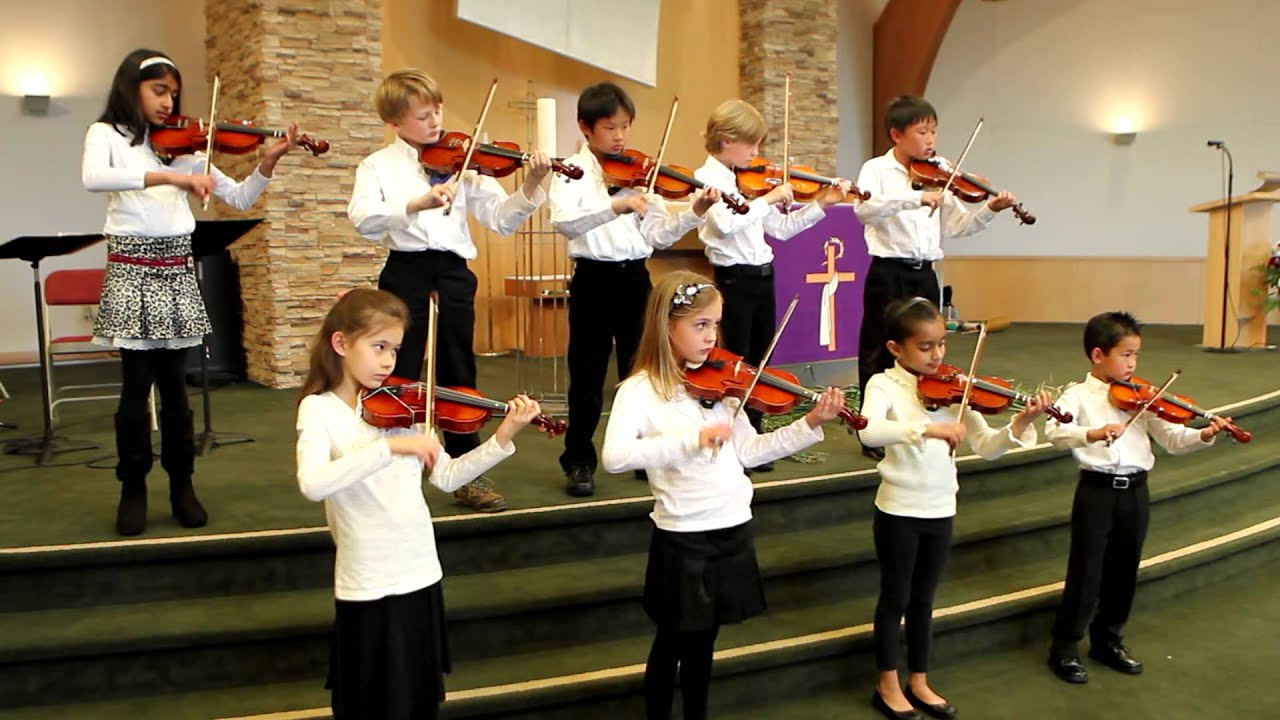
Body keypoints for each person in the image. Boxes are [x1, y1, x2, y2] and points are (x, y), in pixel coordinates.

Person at [601, 270, 846, 720]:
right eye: (700, 325)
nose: (712, 336)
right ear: (666, 326)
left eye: (716, 324)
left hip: (731, 527)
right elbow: (615, 458)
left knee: (705, 644)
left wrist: (809, 425)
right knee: (672, 642)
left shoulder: (726, 386)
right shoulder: (640, 391)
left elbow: (750, 450)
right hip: (684, 535)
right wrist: (692, 439)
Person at [83, 48, 300, 536]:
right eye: (159, 90)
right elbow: (94, 179)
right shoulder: (107, 135)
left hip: (176, 269)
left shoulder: (187, 145)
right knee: (135, 388)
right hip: (132, 268)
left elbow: (240, 196)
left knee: (178, 391)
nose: (169, 102)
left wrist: (267, 162)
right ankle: (132, 486)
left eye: (173, 93)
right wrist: (172, 175)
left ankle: (182, 483)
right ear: (131, 88)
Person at [296, 288, 541, 719]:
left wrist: (503, 438)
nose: (389, 361)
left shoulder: (405, 408)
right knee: (370, 702)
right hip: (368, 581)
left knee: (417, 701)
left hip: (420, 573)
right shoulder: (318, 411)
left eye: (394, 349)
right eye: (378, 347)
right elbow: (313, 484)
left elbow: (446, 477)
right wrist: (390, 449)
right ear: (340, 344)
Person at [347, 69, 552, 513]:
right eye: (423, 116)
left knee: (459, 368)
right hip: (405, 269)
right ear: (396, 123)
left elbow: (501, 218)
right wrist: (414, 204)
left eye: (436, 110)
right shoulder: (378, 166)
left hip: (454, 270)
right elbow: (362, 218)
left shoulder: (465, 161)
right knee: (395, 370)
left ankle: (467, 472)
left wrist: (532, 184)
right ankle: (388, 465)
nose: (435, 122)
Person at [858, 296, 1051, 719]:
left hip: (941, 508)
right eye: (925, 347)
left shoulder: (957, 387)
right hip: (899, 510)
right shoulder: (883, 385)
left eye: (941, 344)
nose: (938, 355)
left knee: (924, 600)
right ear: (896, 348)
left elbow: (986, 447)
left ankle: (920, 680)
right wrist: (927, 428)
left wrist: (1020, 424)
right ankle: (887, 683)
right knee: (895, 598)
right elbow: (869, 433)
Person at [1045, 311, 1232, 685]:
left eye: (1136, 356)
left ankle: (1108, 641)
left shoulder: (1143, 398)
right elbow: (1055, 431)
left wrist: (1204, 436)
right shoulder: (1077, 395)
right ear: (1099, 355)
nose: (1132, 364)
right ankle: (1065, 648)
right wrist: (1094, 434)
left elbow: (1174, 439)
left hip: (1135, 491)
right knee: (1086, 572)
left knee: (1124, 571)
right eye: (1125, 355)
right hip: (1096, 491)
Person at [551, 82, 719, 497]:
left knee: (642, 370)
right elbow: (565, 223)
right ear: (585, 128)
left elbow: (658, 233)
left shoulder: (641, 173)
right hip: (592, 278)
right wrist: (615, 205)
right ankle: (579, 460)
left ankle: (646, 453)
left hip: (635, 280)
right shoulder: (570, 172)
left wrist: (693, 213)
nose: (621, 136)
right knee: (586, 374)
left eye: (626, 126)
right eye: (611, 127)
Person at [854, 95, 1018, 460]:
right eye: (922, 131)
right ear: (897, 135)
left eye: (934, 131)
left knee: (928, 347)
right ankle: (872, 431)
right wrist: (915, 198)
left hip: (925, 273)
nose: (931, 140)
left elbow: (959, 225)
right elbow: (865, 210)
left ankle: (921, 415)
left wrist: (990, 208)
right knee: (878, 349)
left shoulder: (940, 170)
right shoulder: (875, 170)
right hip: (888, 270)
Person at [693, 99, 852, 467]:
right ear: (728, 140)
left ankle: (757, 439)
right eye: (752, 144)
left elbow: (782, 228)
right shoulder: (708, 178)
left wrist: (822, 204)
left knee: (762, 362)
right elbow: (726, 224)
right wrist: (767, 198)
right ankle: (732, 439)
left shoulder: (744, 179)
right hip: (734, 279)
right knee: (736, 362)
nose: (757, 153)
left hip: (764, 275)